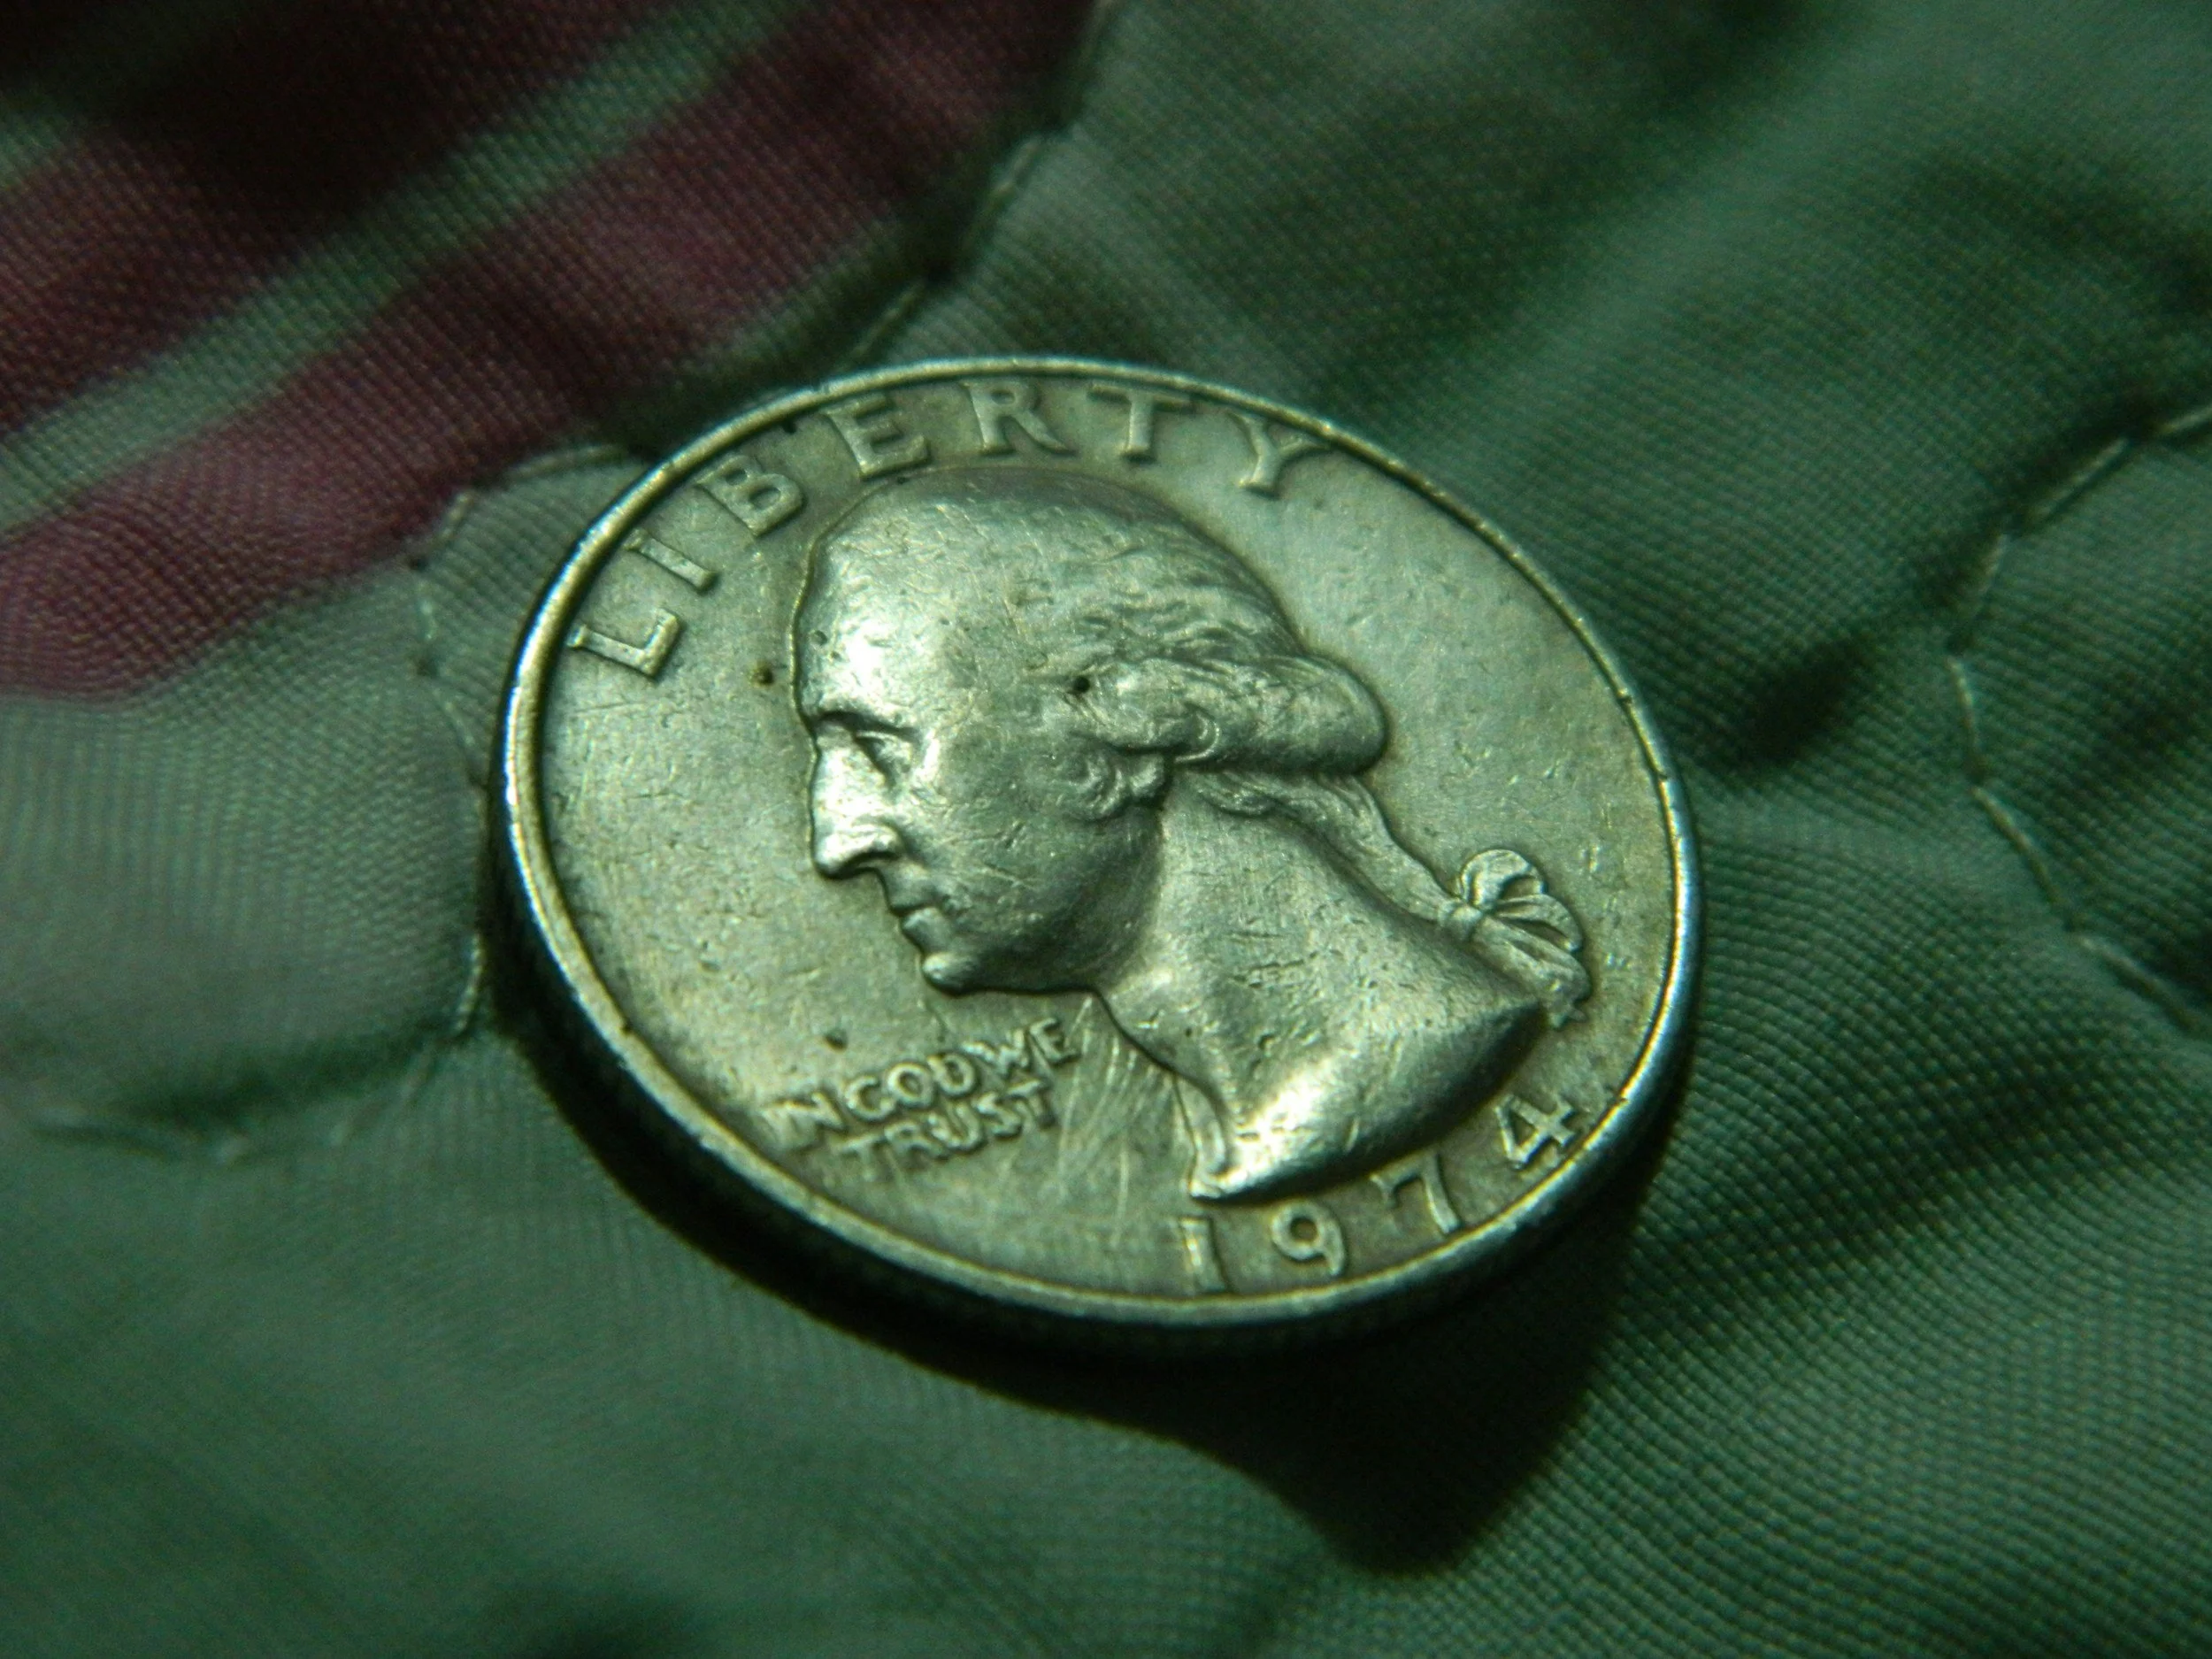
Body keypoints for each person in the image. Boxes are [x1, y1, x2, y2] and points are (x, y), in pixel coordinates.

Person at [793, 466, 1588, 1202]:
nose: (839, 840)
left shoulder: (1394, 1064)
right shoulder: (1220, 1108)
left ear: (1129, 717)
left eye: (875, 748)